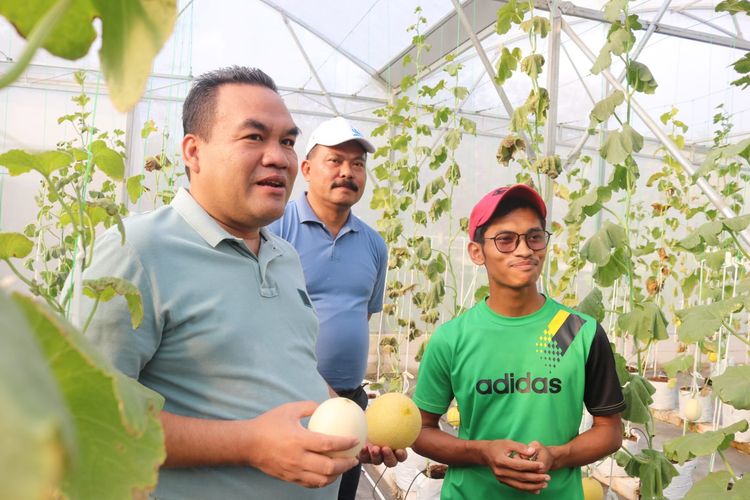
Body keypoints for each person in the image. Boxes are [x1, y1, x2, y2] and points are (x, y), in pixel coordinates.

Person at [81, 66, 395, 500]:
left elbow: (296, 366)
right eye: (254, 137)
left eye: (287, 141)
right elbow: (88, 412)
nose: (279, 156)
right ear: (193, 151)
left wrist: (350, 423)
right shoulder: (136, 251)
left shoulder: (284, 256)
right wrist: (249, 444)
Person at [412, 184, 625, 499]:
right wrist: (482, 452)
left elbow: (610, 430)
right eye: (505, 240)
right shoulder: (453, 337)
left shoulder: (574, 331)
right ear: (476, 252)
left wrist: (557, 455)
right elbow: (421, 430)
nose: (524, 250)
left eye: (534, 237)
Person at [268, 116, 389, 500]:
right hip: (288, 400)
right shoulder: (275, 228)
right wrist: (321, 391)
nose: (347, 172)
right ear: (305, 169)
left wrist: (348, 404)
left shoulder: (373, 244)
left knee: (341, 494)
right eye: (335, 161)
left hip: (350, 402)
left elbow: (361, 317)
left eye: (357, 164)